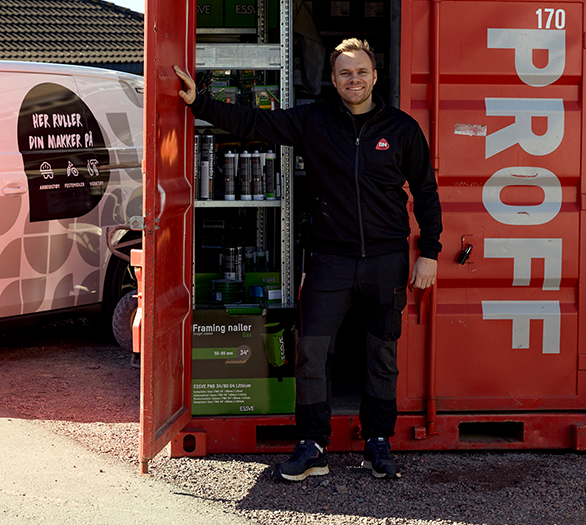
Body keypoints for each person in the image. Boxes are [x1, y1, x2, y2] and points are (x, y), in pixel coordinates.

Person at [174, 38, 442, 481]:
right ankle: (313, 444)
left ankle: (378, 440)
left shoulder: (402, 128)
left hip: (386, 258)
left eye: (360, 72)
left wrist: (429, 252)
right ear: (332, 80)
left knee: (381, 352)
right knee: (312, 351)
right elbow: (254, 121)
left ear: (375, 76)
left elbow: (426, 193)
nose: (352, 79)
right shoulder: (313, 120)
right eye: (344, 73)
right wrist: (199, 102)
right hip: (329, 258)